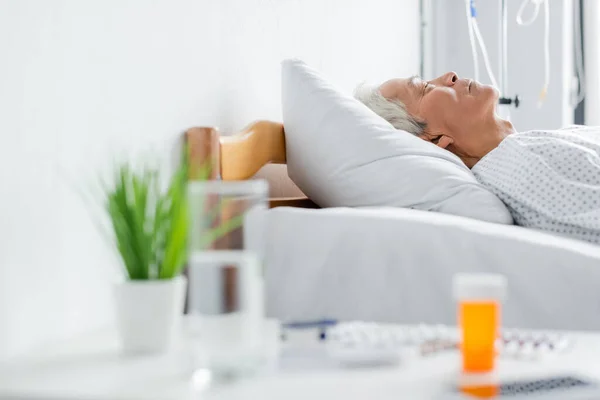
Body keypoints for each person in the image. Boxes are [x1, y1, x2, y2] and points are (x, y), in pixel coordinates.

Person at [354, 72, 600, 245]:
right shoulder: (520, 167)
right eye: (425, 88)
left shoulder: (525, 149)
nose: (449, 75)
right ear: (431, 138)